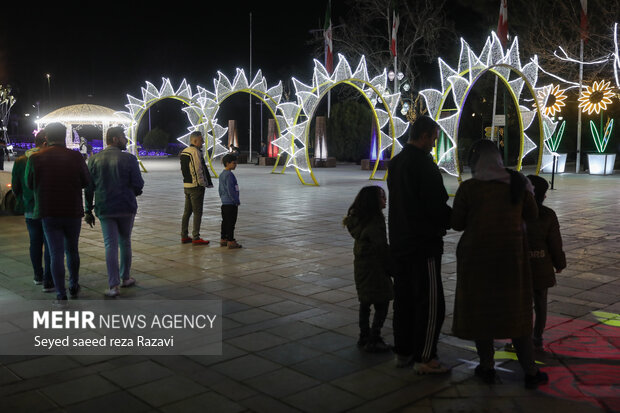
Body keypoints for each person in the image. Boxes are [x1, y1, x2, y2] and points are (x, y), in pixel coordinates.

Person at [451, 139, 548, 389]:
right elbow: (533, 215)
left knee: (482, 313)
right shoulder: (516, 184)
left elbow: (458, 223)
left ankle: (486, 366)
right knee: (516, 311)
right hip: (511, 259)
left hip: (476, 259)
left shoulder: (469, 189)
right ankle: (530, 371)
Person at [387, 116, 452, 374]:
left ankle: (403, 352)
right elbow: (435, 205)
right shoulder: (424, 165)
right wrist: (454, 219)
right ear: (424, 136)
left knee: (403, 300)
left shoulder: (397, 162)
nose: (434, 144)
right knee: (430, 302)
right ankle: (425, 357)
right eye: (434, 139)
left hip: (400, 242)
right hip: (423, 245)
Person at [26, 122, 90, 303]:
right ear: (65, 136)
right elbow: (86, 181)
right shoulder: (76, 157)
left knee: (55, 254)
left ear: (46, 137)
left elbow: (30, 184)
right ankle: (74, 285)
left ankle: (60, 293)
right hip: (72, 210)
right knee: (72, 251)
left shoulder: (35, 158)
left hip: (48, 211)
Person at [85, 127, 144, 297]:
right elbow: (138, 184)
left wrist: (88, 210)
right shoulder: (130, 159)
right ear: (116, 139)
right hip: (126, 207)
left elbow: (89, 188)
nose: (126, 140)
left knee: (110, 245)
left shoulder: (94, 160)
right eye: (124, 137)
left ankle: (113, 286)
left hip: (105, 207)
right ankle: (125, 278)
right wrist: (132, 193)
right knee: (125, 242)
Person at [343, 185, 393, 353]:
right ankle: (374, 337)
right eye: (382, 197)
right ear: (373, 202)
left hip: (362, 267)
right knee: (382, 302)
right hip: (375, 268)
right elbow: (381, 247)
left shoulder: (360, 220)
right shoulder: (375, 221)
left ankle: (364, 336)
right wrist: (391, 267)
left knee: (365, 303)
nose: (385, 200)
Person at [526, 174, 566, 350]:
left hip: (519, 267)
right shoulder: (548, 215)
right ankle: (537, 336)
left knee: (521, 304)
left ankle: (519, 337)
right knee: (540, 303)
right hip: (541, 265)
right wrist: (559, 263)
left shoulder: (514, 213)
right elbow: (555, 243)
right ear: (542, 195)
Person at [11, 131, 53, 291]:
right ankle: (49, 279)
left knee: (35, 242)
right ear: (45, 143)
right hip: (48, 207)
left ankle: (38, 275)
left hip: (30, 208)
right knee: (50, 243)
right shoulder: (48, 159)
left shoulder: (21, 161)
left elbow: (15, 187)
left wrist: (22, 199)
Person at [180, 131, 213, 245]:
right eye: (201, 139)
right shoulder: (195, 152)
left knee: (187, 212)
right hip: (195, 186)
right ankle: (196, 237)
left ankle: (184, 235)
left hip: (187, 185)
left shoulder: (184, 151)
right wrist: (202, 183)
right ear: (194, 141)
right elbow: (198, 169)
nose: (203, 142)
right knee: (197, 212)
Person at [219, 153, 241, 249]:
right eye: (233, 163)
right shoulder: (229, 175)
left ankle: (223, 238)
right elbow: (231, 190)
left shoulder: (222, 174)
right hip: (231, 203)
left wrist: (222, 198)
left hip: (224, 202)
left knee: (225, 221)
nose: (235, 165)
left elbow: (220, 189)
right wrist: (235, 200)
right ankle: (231, 240)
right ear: (227, 163)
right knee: (231, 222)